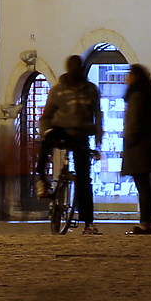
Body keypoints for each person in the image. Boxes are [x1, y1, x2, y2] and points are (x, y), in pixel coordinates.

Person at [42, 55, 102, 234]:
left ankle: (88, 222)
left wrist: (98, 137)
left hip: (81, 135)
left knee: (84, 180)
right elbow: (47, 115)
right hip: (62, 131)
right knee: (44, 148)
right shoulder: (59, 90)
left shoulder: (90, 89)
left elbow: (97, 114)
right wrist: (46, 132)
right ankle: (41, 180)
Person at [119, 64, 151, 234]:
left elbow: (133, 122)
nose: (126, 78)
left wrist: (129, 140)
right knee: (144, 185)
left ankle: (146, 223)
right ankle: (147, 222)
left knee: (143, 186)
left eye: (129, 74)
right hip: (146, 145)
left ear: (135, 77)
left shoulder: (136, 95)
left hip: (137, 147)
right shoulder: (149, 95)